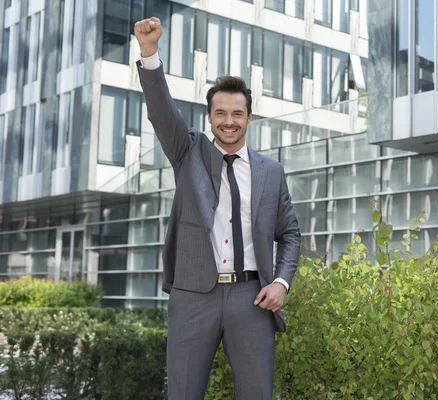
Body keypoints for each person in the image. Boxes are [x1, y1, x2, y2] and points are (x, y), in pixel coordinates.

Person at [134, 17, 301, 400]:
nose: (229, 121)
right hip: (193, 296)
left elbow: (289, 234)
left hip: (252, 298)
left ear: (249, 118)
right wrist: (149, 52)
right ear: (210, 117)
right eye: (221, 113)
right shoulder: (187, 151)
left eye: (237, 113)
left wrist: (281, 281)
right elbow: (160, 110)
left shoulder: (271, 172)